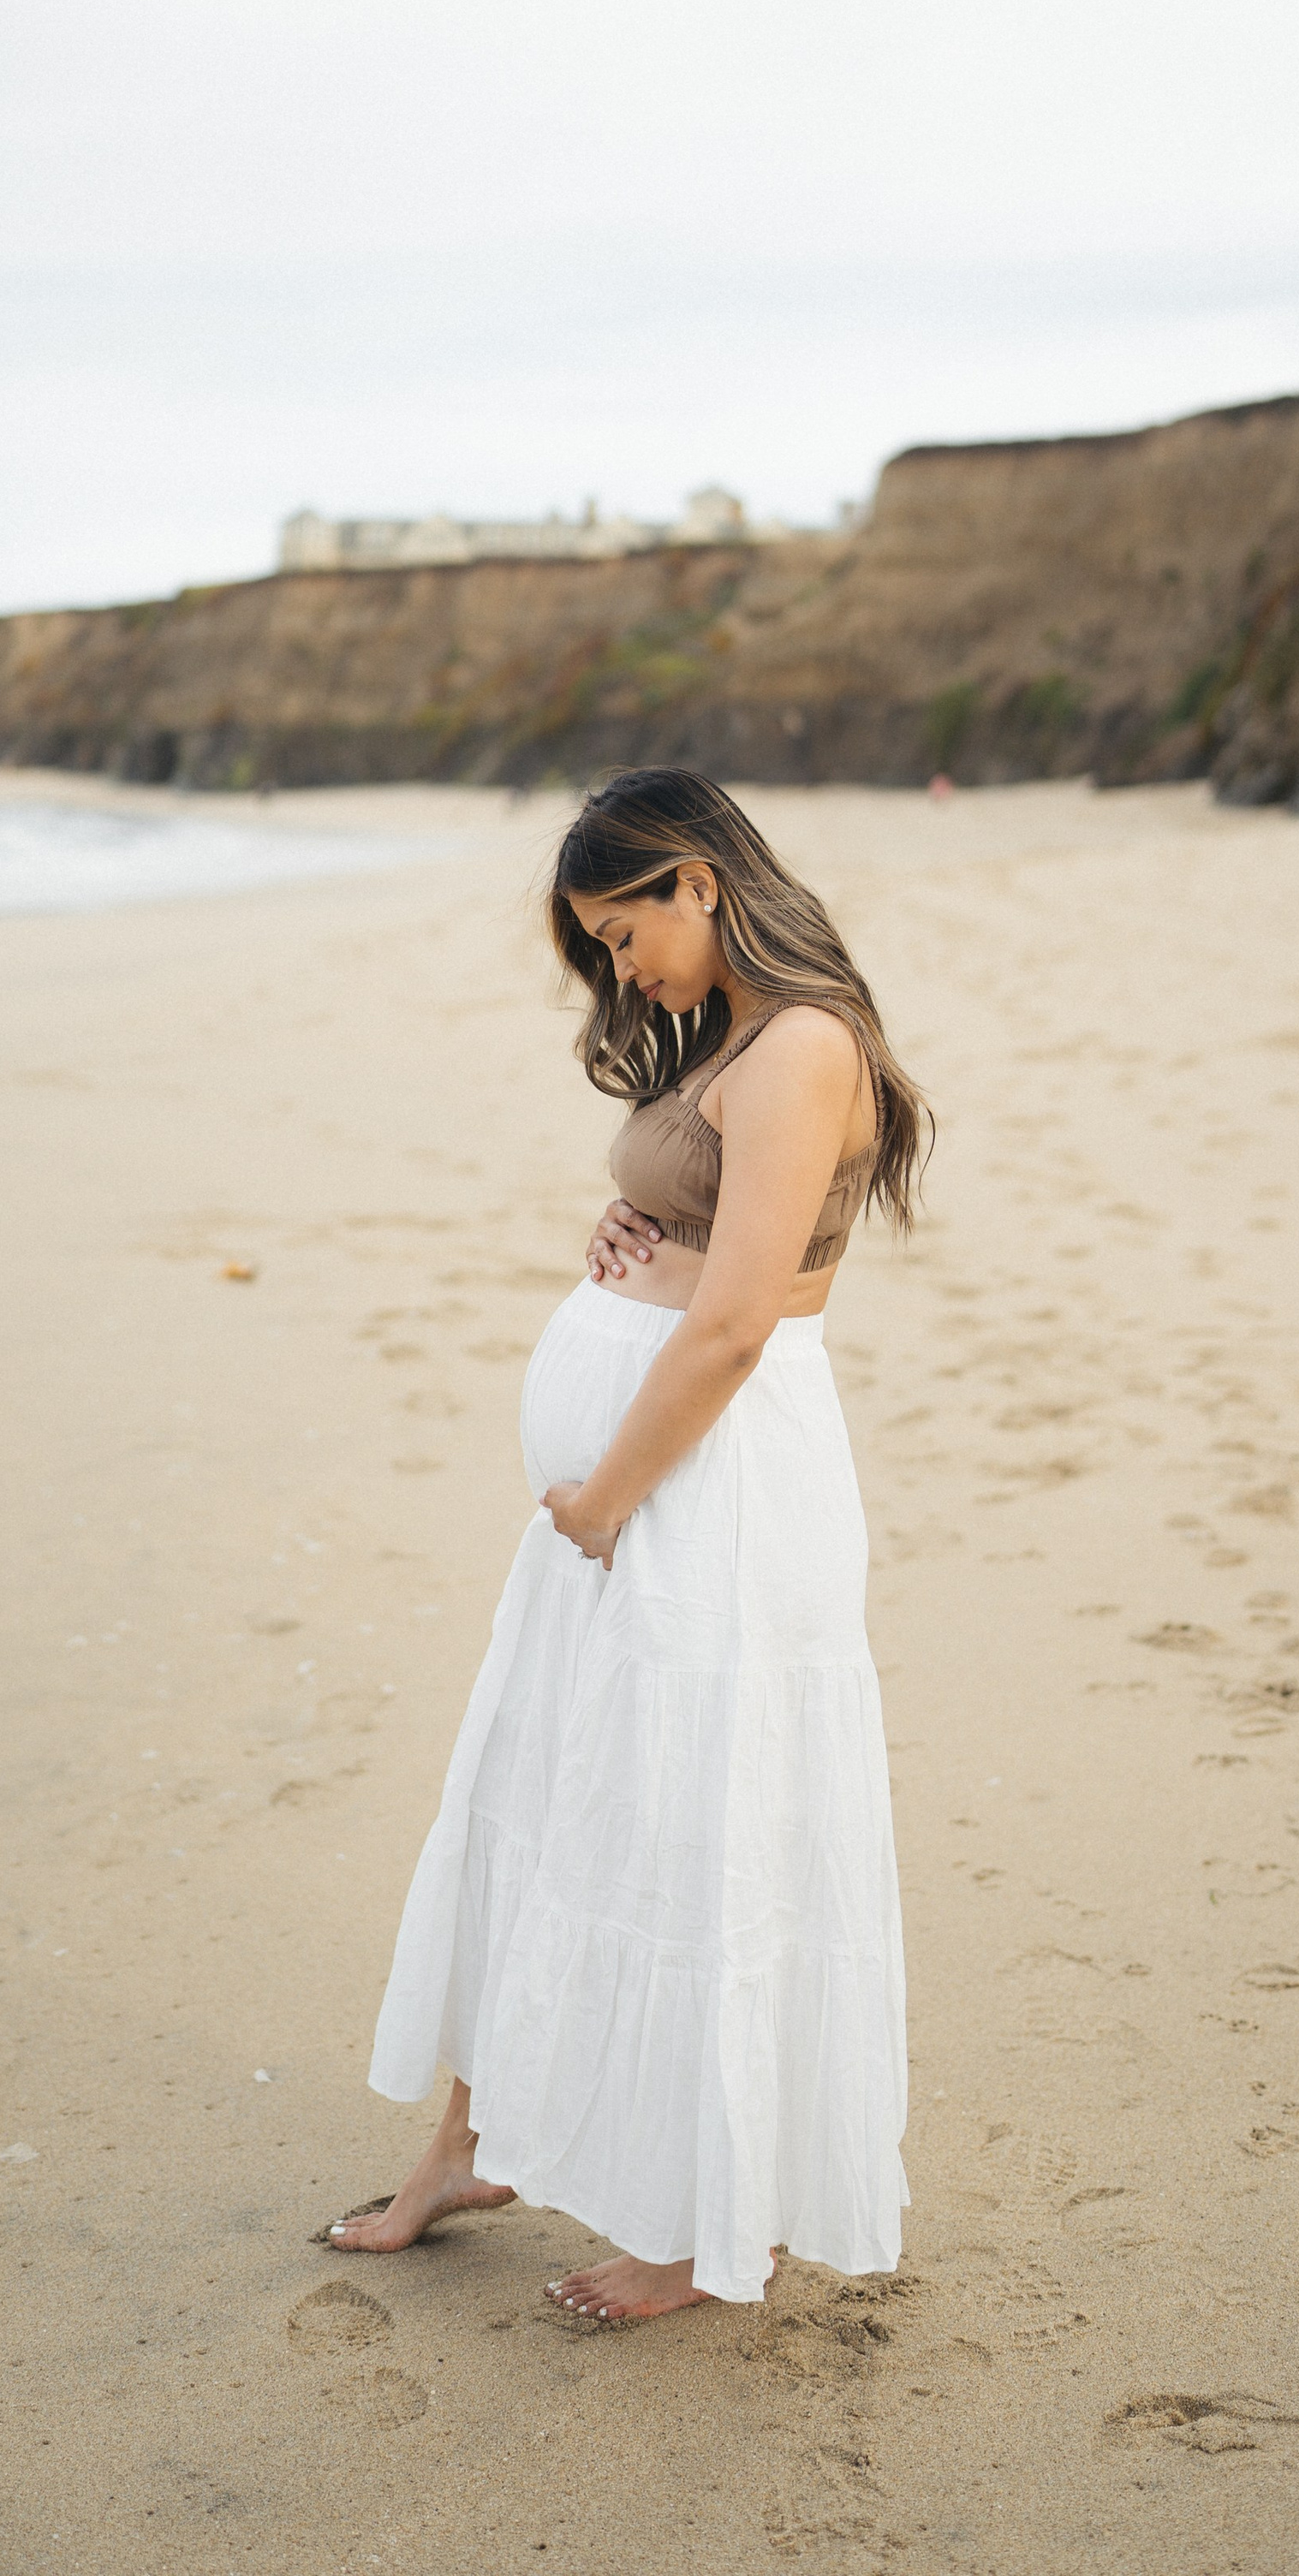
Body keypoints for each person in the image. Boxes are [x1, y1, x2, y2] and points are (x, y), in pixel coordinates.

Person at [326, 769, 927, 2322]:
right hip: (639, 1492)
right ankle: (469, 2148)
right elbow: (712, 1257)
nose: (619, 971)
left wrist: (604, 1497)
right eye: (597, 948)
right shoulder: (735, 1038)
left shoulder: (802, 1044)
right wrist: (629, 1249)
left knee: (686, 1839)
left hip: (700, 1496)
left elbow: (746, 1322)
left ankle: (694, 2231)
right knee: (546, 1801)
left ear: (697, 883)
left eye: (620, 931)